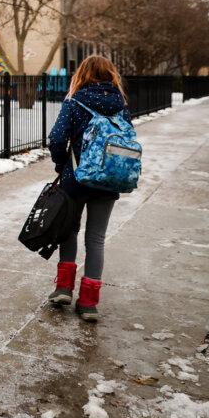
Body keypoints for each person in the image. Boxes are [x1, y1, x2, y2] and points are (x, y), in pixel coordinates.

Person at [46, 55, 131, 322]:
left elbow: (57, 138)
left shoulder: (75, 101)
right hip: (108, 180)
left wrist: (62, 164)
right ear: (111, 75)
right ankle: (89, 303)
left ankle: (63, 289)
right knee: (96, 239)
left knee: (69, 231)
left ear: (82, 74)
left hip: (76, 179)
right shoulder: (121, 104)